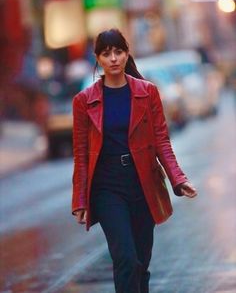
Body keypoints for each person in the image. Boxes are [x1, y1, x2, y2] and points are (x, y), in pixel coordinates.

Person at [72, 29, 197, 293]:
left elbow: (162, 141)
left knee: (141, 262)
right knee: (125, 259)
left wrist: (178, 179)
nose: (114, 58)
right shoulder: (84, 101)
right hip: (107, 188)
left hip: (143, 184)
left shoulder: (147, 92)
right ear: (98, 59)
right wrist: (80, 199)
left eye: (118, 51)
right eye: (106, 54)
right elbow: (81, 154)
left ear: (127, 54)